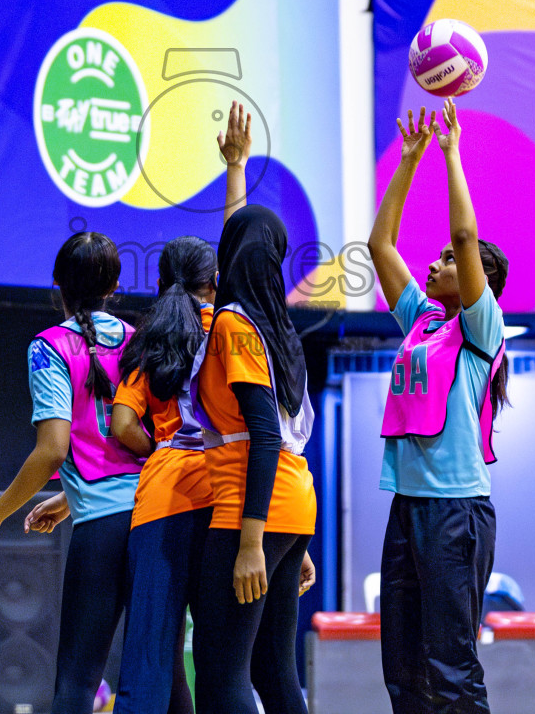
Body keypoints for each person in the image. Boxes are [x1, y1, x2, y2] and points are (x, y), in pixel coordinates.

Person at [83, 103, 252, 714]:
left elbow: (122, 425)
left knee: (149, 658)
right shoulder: (233, 325)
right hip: (224, 499)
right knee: (220, 662)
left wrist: (161, 451)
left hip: (159, 499)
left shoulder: (149, 338)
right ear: (214, 279)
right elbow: (237, 253)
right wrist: (234, 167)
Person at [0, 232, 145, 714]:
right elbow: (132, 447)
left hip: (103, 529)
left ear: (56, 283)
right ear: (116, 285)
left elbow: (52, 450)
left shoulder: (49, 347)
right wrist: (67, 499)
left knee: (76, 686)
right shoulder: (137, 341)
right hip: (156, 521)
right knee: (160, 679)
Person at [368, 101, 510, 714]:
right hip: (408, 508)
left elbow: (464, 235)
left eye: (449, 263)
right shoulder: (423, 321)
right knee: (402, 670)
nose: (436, 261)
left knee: (451, 669)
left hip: (456, 514)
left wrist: (451, 153)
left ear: (480, 279)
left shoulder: (483, 329)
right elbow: (380, 244)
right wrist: (408, 160)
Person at [189, 204, 317, 714]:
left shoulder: (233, 325)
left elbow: (264, 435)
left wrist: (251, 543)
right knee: (273, 670)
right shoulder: (280, 329)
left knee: (222, 675)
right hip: (290, 508)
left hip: (249, 511)